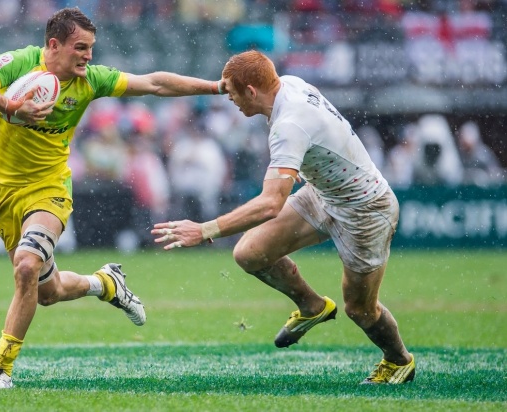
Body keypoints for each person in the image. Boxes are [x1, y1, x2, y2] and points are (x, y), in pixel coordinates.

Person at [0, 7, 225, 390]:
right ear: (53, 45)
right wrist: (11, 105)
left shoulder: (91, 80)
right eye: (80, 47)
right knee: (49, 293)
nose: (88, 56)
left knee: (27, 266)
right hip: (3, 192)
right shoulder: (21, 63)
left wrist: (214, 87)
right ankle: (105, 283)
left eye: (91, 49)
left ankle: (0, 371)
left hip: (50, 190)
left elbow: (155, 84)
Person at [152, 50, 415, 384]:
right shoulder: (284, 83)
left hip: (365, 209)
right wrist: (215, 86)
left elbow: (269, 205)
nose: (228, 99)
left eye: (232, 93)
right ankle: (312, 307)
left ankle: (398, 360)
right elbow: (238, 87)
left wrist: (204, 230)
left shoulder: (289, 123)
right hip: (324, 193)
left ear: (250, 90)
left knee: (360, 309)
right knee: (250, 253)